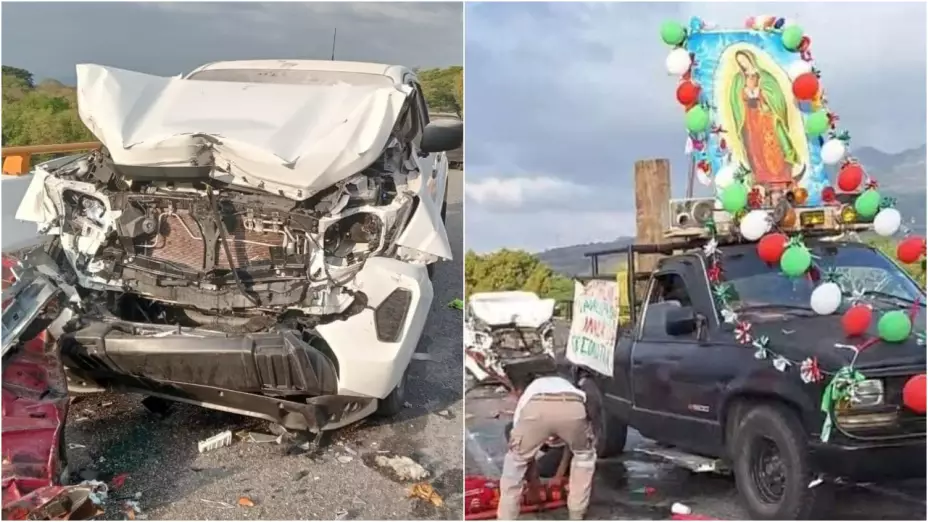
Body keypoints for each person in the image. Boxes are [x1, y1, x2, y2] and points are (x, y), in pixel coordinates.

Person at [497, 370, 596, 520]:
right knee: (584, 457)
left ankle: (506, 517)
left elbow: (525, 455)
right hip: (573, 407)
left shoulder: (528, 396)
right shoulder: (565, 384)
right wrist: (559, 475)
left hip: (537, 408)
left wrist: (534, 485)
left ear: (519, 390)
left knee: (515, 464)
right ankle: (577, 514)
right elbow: (572, 446)